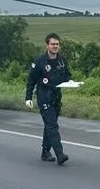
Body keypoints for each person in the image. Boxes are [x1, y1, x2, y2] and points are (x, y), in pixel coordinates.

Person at [25, 33, 71, 165]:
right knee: (52, 125)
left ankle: (45, 151)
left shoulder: (62, 61)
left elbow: (67, 75)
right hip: (44, 96)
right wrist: (28, 97)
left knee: (49, 126)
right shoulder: (39, 62)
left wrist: (71, 82)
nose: (55, 46)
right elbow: (31, 80)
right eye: (53, 44)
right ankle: (60, 153)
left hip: (56, 96)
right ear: (47, 45)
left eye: (57, 44)